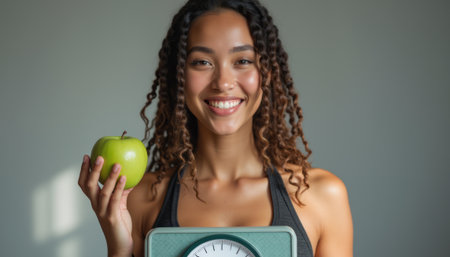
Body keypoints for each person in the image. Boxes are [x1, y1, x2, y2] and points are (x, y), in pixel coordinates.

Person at [78, 0, 353, 256]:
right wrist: (119, 247)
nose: (223, 82)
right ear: (179, 77)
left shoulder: (322, 196)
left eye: (242, 61)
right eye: (202, 62)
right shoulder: (140, 200)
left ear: (266, 73)